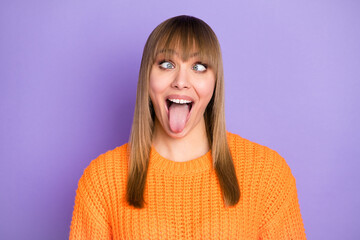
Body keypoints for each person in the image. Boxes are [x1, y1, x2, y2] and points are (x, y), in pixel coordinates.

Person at [69, 15, 306, 239]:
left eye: (199, 67)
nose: (181, 82)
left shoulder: (267, 173)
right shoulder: (101, 179)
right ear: (147, 78)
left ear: (215, 83)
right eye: (166, 64)